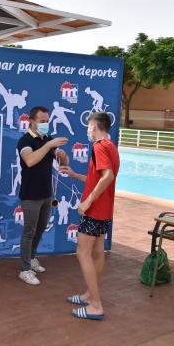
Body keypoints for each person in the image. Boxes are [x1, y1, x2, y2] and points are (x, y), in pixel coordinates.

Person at [60, 112, 119, 321]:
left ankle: (95, 305)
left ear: (94, 126)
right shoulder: (111, 147)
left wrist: (88, 201)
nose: (87, 130)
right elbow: (101, 179)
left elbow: (107, 176)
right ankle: (90, 294)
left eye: (88, 127)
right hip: (105, 210)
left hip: (94, 210)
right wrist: (75, 175)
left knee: (82, 253)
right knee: (97, 252)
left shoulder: (99, 146)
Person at [16, 106, 69, 285]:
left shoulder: (48, 139)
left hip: (47, 193)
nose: (45, 124)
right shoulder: (25, 141)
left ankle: (31, 259)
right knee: (29, 231)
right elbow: (30, 161)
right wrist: (48, 146)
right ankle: (24, 270)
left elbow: (63, 162)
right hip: (31, 194)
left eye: (47, 121)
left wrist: (62, 155)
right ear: (32, 121)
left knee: (41, 228)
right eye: (42, 121)